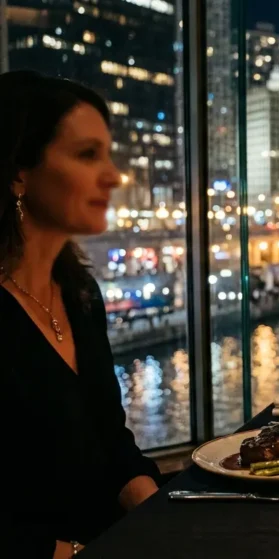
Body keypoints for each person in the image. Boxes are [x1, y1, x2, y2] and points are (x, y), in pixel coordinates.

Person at [0, 72, 159, 558]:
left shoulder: (80, 293)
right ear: (18, 173)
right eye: (87, 155)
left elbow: (110, 438)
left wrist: (161, 518)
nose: (112, 176)